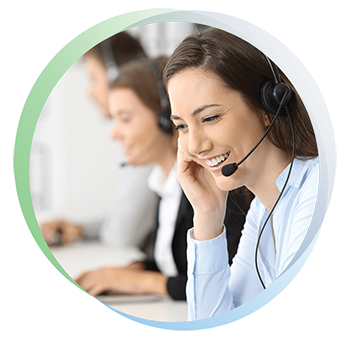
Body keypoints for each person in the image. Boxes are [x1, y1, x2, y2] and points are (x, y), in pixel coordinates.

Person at [164, 27, 319, 318]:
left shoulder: (320, 196)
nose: (194, 146)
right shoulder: (263, 209)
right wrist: (207, 216)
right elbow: (215, 324)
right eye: (182, 126)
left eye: (209, 118)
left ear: (269, 105)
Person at [75, 56, 253, 300]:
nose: (114, 134)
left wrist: (145, 282)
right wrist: (131, 272)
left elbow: (227, 280)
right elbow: (175, 264)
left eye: (125, 119)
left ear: (164, 118)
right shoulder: (164, 183)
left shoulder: (215, 187)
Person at [40, 32, 159, 250]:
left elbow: (122, 235)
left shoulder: (150, 144)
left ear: (117, 76)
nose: (89, 91)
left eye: (93, 78)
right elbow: (120, 222)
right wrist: (80, 229)